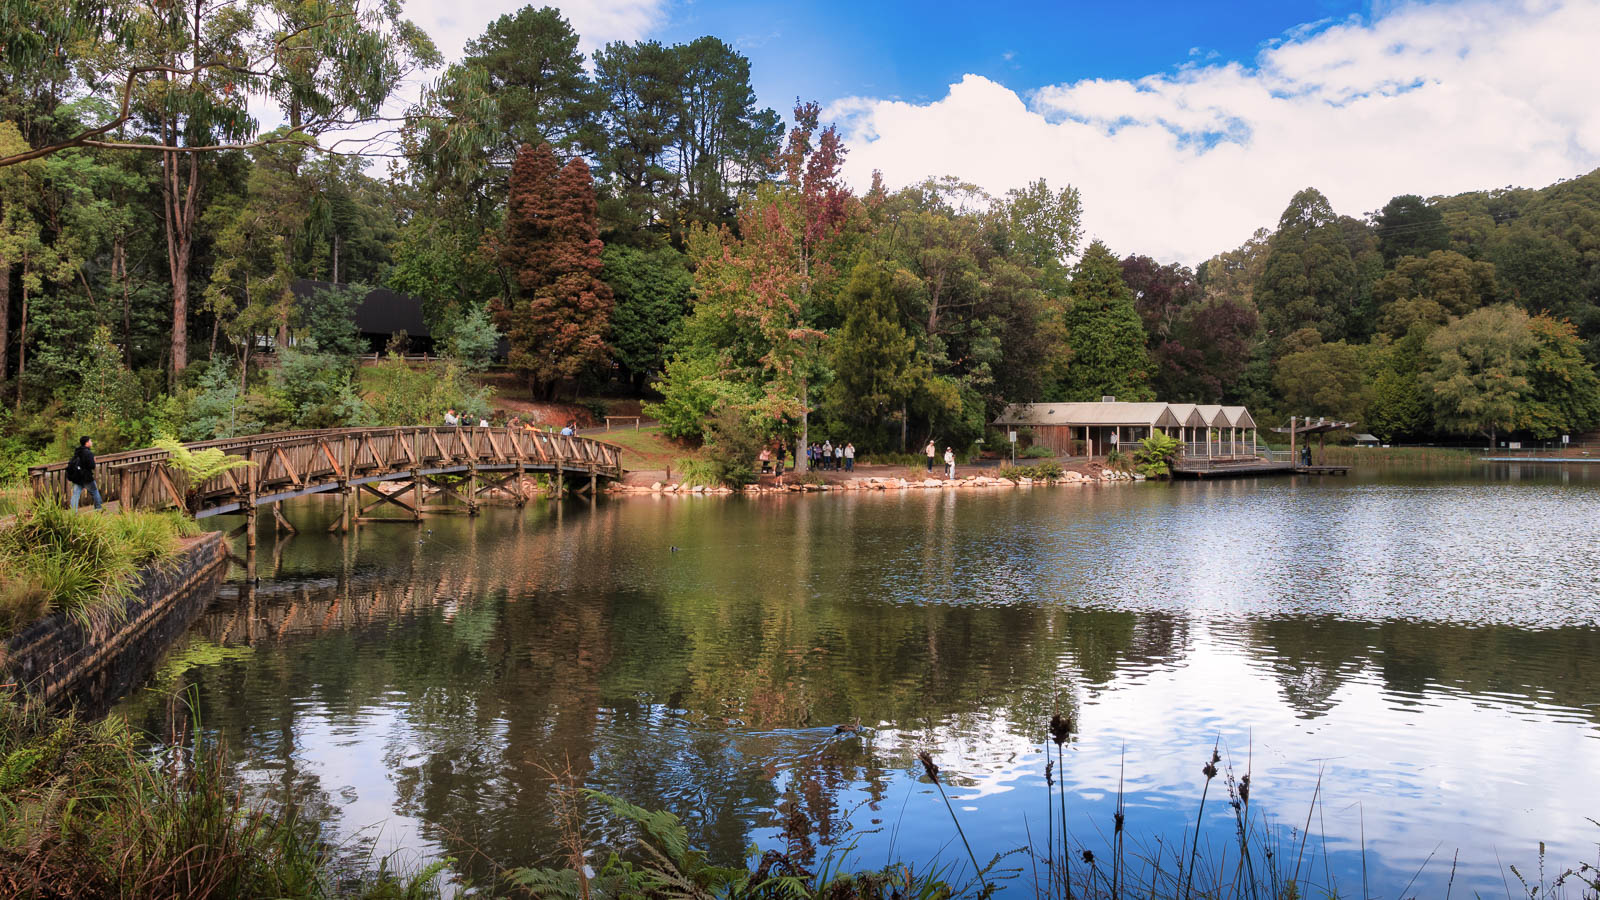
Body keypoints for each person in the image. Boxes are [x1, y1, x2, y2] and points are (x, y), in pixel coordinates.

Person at [66, 436, 103, 512]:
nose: (91, 442)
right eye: (90, 441)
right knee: (95, 492)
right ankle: (99, 508)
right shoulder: (88, 453)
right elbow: (92, 466)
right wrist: (94, 461)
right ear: (87, 443)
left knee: (75, 494)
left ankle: (73, 512)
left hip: (77, 477)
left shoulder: (77, 452)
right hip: (86, 477)